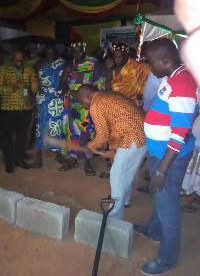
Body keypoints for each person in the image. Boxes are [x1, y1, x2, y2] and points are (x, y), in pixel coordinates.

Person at [134, 38, 198, 275]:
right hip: (161, 153)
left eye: (150, 61)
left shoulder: (181, 85)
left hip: (169, 157)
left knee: (168, 205)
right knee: (161, 197)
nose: (149, 66)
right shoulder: (172, 78)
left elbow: (179, 134)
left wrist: (161, 171)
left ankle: (168, 258)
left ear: (165, 59)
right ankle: (154, 230)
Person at [45, 84, 146, 220]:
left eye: (81, 102)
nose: (82, 106)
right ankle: (125, 199)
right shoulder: (108, 95)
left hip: (134, 136)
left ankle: (114, 217)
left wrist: (90, 146)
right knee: (127, 169)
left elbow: (102, 136)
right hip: (143, 131)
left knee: (117, 176)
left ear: (87, 97)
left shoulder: (96, 104)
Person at [59, 41, 106, 176]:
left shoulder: (93, 64)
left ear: (84, 50)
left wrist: (89, 97)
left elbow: (100, 84)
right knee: (72, 133)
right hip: (71, 103)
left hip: (87, 104)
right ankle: (73, 160)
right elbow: (61, 84)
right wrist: (70, 93)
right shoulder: (70, 65)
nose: (77, 54)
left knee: (87, 133)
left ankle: (87, 163)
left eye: (79, 51)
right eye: (74, 52)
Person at [0, 47, 38, 173]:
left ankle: (19, 159)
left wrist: (35, 86)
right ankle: (9, 162)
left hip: (25, 108)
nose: (20, 63)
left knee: (22, 136)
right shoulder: (4, 69)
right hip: (8, 109)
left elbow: (34, 87)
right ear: (12, 58)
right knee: (7, 137)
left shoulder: (29, 69)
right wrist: (11, 88)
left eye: (22, 61)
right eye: (17, 61)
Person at [32, 44, 65, 168]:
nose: (51, 57)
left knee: (59, 128)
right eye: (48, 54)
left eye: (53, 54)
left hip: (58, 101)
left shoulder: (62, 63)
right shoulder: (38, 65)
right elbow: (34, 87)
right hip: (43, 101)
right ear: (44, 54)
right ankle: (39, 156)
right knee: (41, 128)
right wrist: (34, 105)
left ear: (57, 53)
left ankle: (59, 154)